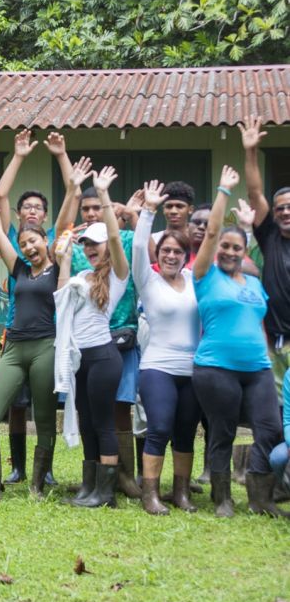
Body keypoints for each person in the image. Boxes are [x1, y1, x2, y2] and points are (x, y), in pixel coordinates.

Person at [0, 164, 90, 500]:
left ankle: (37, 484)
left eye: (33, 241)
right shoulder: (18, 267)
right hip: (14, 348)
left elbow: (65, 224)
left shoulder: (57, 269)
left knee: (45, 419)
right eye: (23, 242)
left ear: (45, 241)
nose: (28, 247)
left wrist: (73, 189)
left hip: (45, 347)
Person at [191, 165, 286, 517]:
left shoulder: (254, 283)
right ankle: (223, 500)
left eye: (237, 248)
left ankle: (260, 498)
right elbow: (213, 230)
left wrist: (248, 226)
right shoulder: (205, 275)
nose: (230, 252)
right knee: (223, 431)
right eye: (225, 247)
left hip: (258, 368)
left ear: (245, 251)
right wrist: (223, 190)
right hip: (216, 368)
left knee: (270, 428)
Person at [0, 130, 77, 486]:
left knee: (44, 408)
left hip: (47, 334)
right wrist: (18, 155)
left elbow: (73, 194)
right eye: (25, 208)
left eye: (37, 209)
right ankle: (16, 467)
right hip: (15, 331)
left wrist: (61, 154)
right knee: (16, 405)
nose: (31, 212)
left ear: (45, 219)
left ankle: (46, 471)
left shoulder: (54, 245)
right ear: (18, 214)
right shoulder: (16, 243)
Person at [58, 177, 144, 499]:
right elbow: (61, 296)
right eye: (86, 244)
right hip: (81, 360)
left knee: (104, 422)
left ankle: (105, 493)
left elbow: (113, 236)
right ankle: (89, 486)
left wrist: (105, 197)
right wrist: (66, 257)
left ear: (107, 244)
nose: (91, 248)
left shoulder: (119, 275)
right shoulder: (82, 276)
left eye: (96, 243)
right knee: (87, 422)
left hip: (104, 357)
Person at [132, 181, 201, 515]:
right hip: (158, 367)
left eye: (177, 252)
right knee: (159, 428)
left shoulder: (194, 281)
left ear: (185, 256)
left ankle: (182, 493)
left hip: (193, 370)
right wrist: (148, 211)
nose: (171, 256)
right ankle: (151, 496)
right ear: (157, 256)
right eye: (165, 252)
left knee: (186, 432)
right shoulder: (148, 281)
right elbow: (136, 251)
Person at [242, 115, 290, 397]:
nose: (285, 212)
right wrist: (250, 151)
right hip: (272, 342)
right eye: (280, 208)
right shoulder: (269, 236)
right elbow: (254, 192)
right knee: (275, 411)